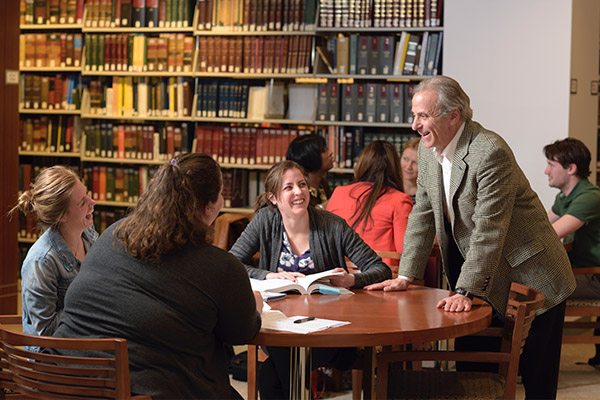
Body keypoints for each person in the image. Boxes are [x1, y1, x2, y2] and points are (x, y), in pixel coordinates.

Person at [365, 75, 576, 399]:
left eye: (423, 116)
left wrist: (465, 289)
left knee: (536, 379)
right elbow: (422, 214)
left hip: (533, 273)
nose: (414, 125)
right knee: (472, 369)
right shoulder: (427, 151)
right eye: (414, 115)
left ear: (453, 116)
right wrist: (406, 274)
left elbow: (489, 229)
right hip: (482, 279)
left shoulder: (489, 151)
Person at [51, 154, 262, 399]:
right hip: (139, 391)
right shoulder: (221, 267)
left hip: (64, 381)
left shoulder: (113, 233)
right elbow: (241, 333)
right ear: (209, 207)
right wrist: (255, 308)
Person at [230, 160, 391, 399]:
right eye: (289, 187)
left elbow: (380, 269)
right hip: (278, 324)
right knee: (282, 362)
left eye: (302, 184)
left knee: (272, 374)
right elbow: (232, 264)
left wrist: (351, 280)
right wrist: (267, 275)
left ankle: (330, 363)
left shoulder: (332, 225)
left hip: (327, 327)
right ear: (273, 198)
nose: (298, 192)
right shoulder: (265, 220)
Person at [9, 166, 97, 349]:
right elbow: (47, 331)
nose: (93, 202)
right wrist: (92, 304)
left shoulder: (88, 234)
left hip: (81, 344)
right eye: (82, 202)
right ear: (61, 216)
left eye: (87, 194)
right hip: (49, 361)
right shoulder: (40, 262)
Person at [544, 137, 600, 365]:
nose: (546, 171)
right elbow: (540, 225)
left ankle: (535, 363)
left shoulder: (589, 197)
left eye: (551, 164)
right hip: (583, 272)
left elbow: (550, 233)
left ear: (571, 168)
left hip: (594, 277)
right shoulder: (565, 197)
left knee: (536, 292)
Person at [326, 140, 413, 275]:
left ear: (362, 163)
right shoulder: (399, 200)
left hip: (339, 277)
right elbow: (406, 251)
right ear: (395, 168)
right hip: (381, 281)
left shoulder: (338, 192)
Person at [285, 133, 334, 208]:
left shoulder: (322, 184)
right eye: (324, 151)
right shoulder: (298, 191)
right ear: (310, 158)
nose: (330, 153)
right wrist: (322, 207)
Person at [401, 136, 420, 203]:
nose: (409, 167)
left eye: (415, 163)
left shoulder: (428, 194)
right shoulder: (390, 188)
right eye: (405, 159)